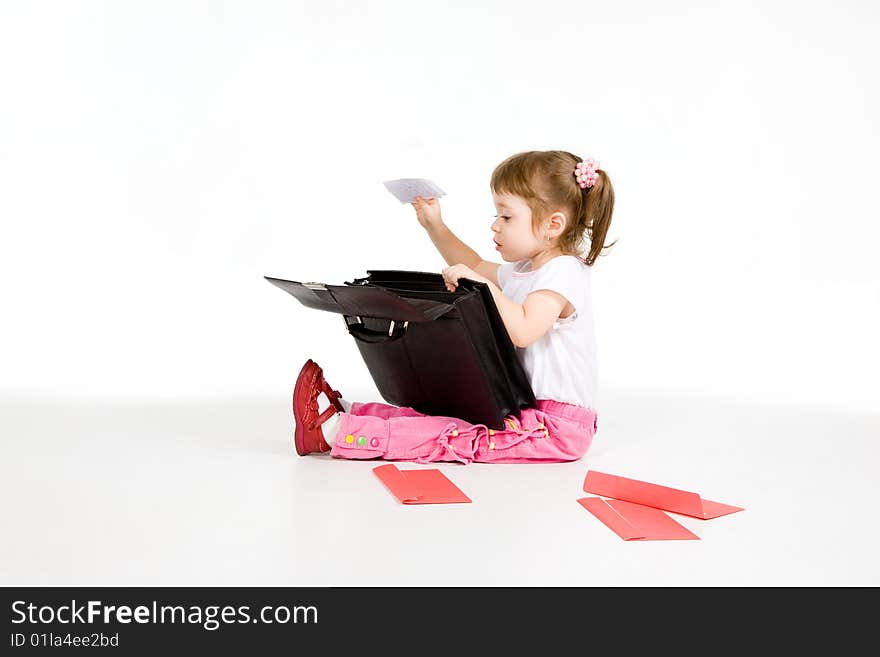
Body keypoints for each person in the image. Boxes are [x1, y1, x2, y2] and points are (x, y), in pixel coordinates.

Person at [292, 150, 615, 464]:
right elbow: (472, 262)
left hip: (556, 427)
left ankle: (340, 433)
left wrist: (483, 284)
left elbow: (525, 330)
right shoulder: (523, 270)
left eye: (506, 216)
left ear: (552, 225)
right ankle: (351, 414)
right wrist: (436, 226)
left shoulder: (563, 269)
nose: (495, 225)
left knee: (460, 436)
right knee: (445, 417)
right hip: (521, 408)